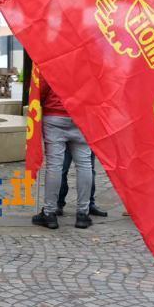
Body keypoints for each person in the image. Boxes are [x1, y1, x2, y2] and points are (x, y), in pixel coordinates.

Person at [32, 73, 94, 230]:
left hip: (54, 116)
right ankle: (82, 214)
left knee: (54, 166)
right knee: (85, 164)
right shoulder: (88, 59)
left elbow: (41, 89)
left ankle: (50, 213)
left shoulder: (55, 57)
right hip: (82, 115)